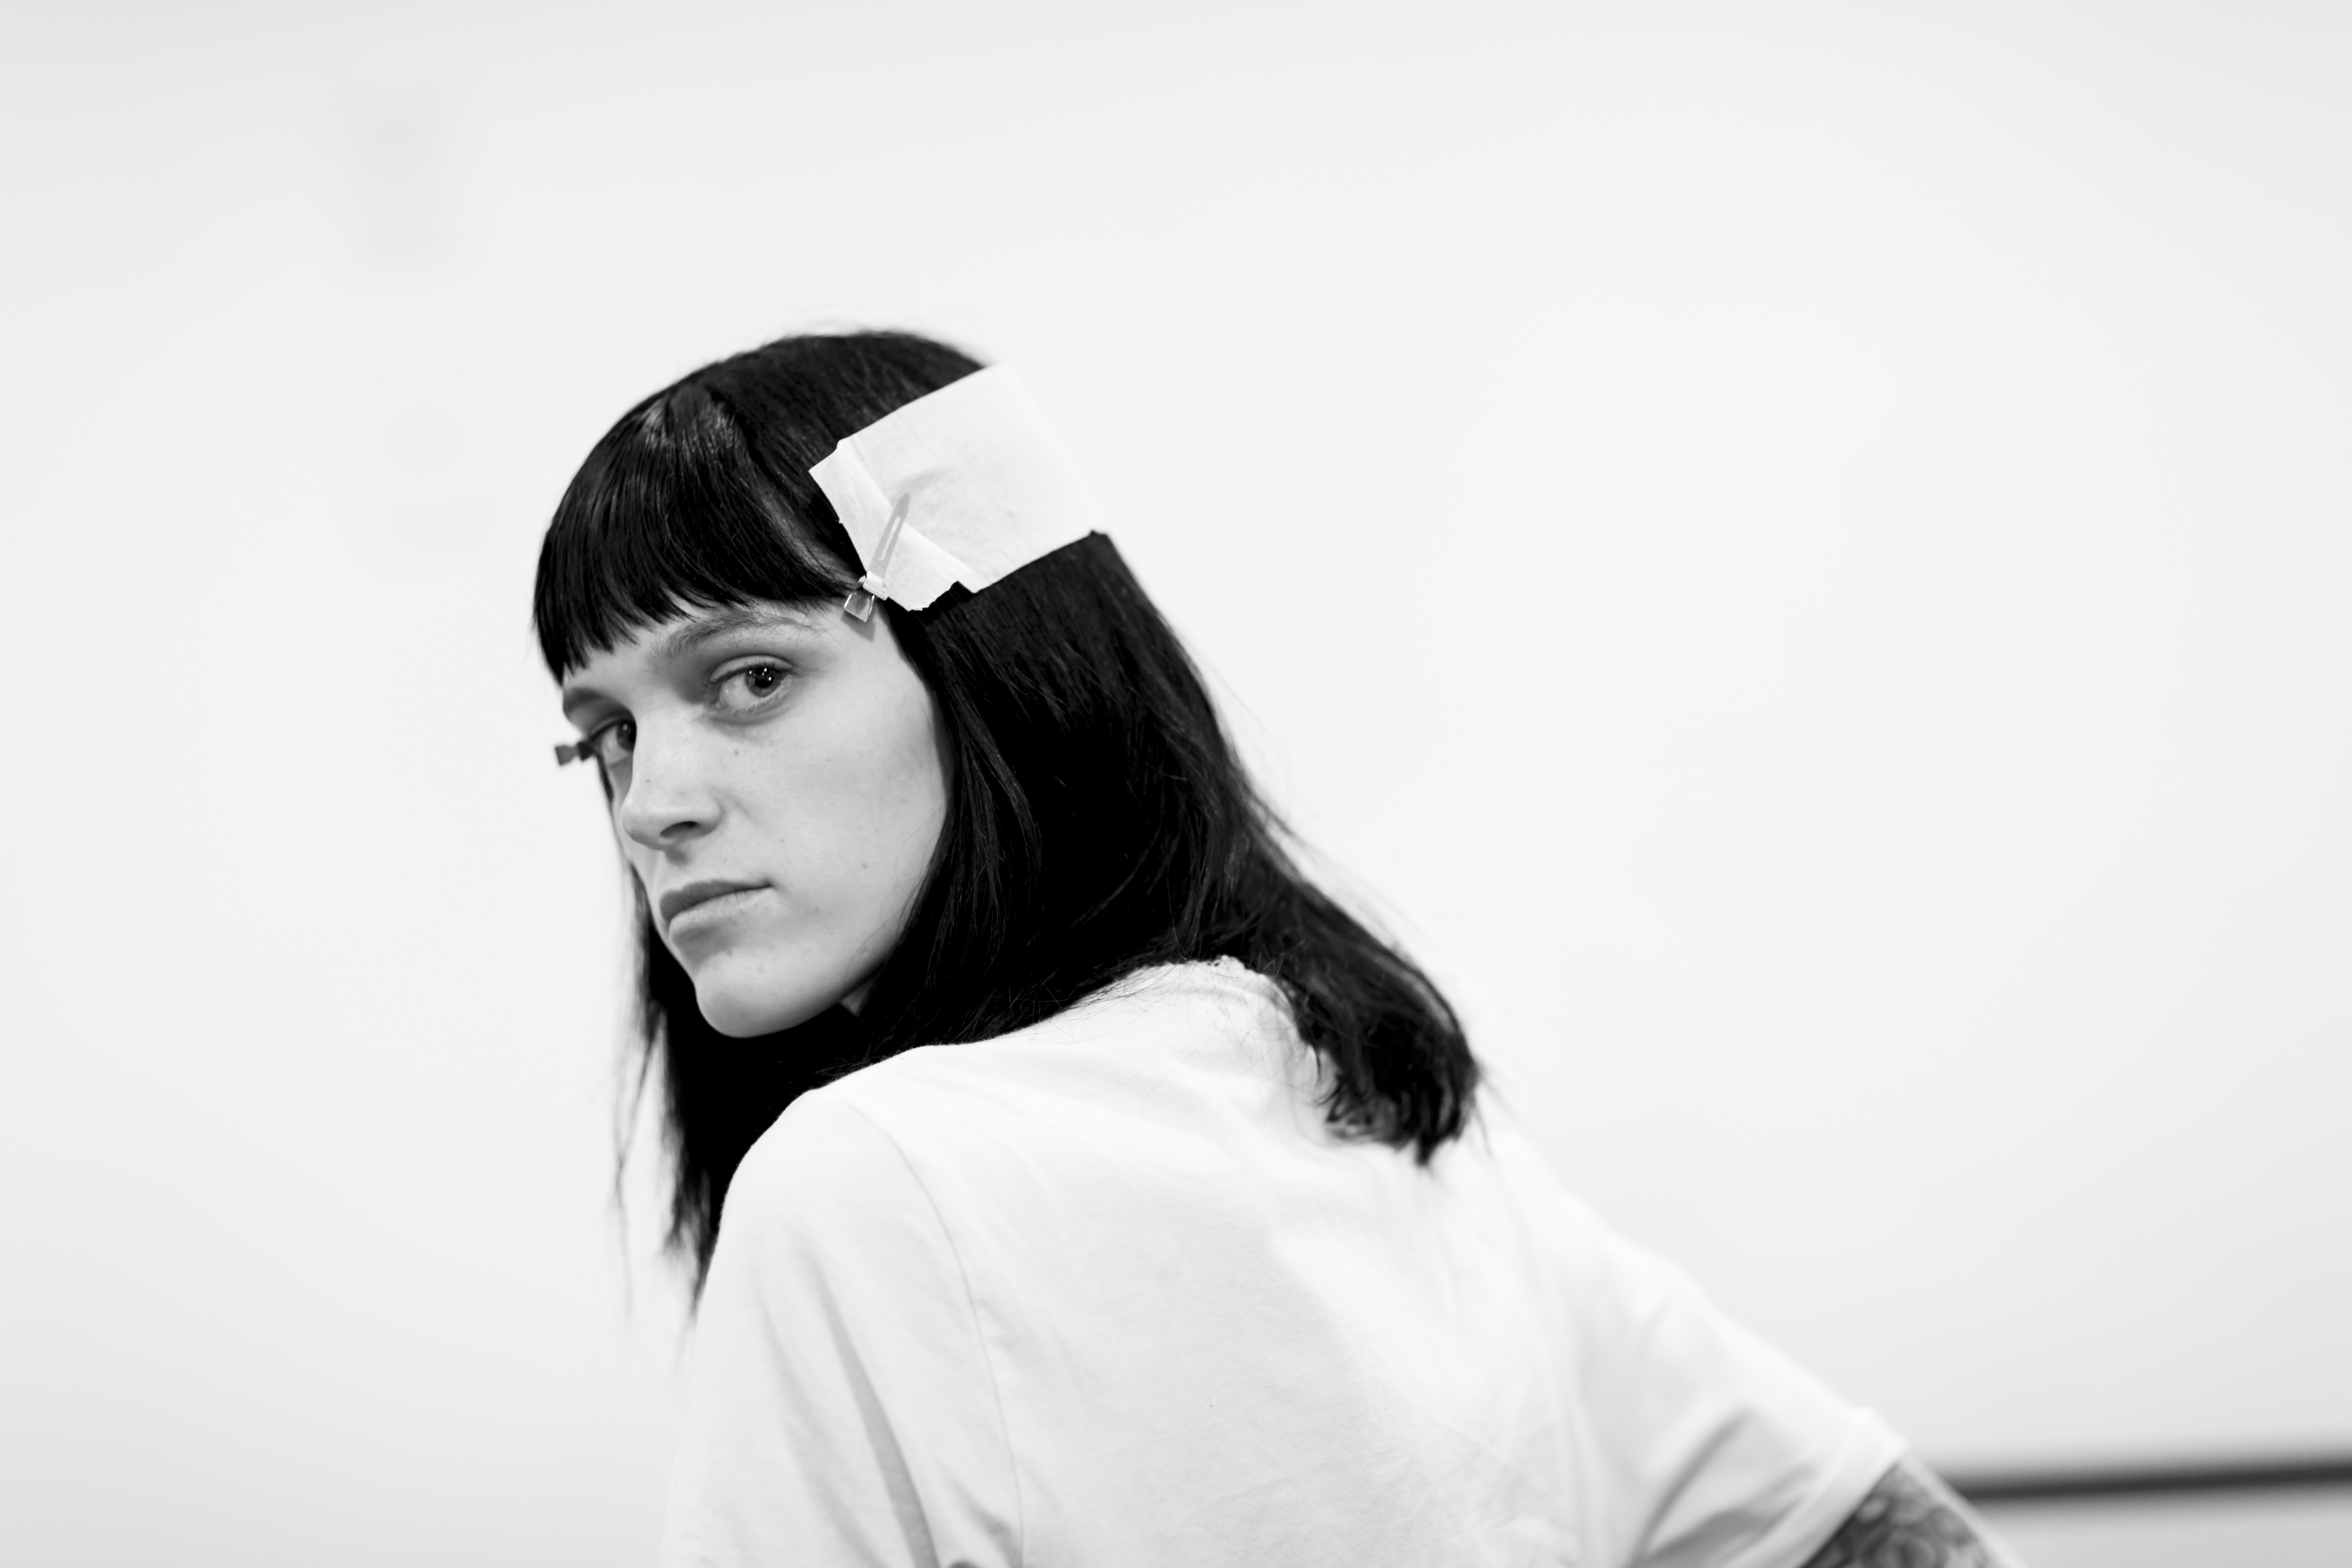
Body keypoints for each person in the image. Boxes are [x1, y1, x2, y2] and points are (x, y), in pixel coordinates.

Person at [533, 330, 2022, 1567]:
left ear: (994, 667)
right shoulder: (1360, 1081)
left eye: (750, 676)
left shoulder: (868, 1180)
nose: (653, 804)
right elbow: (1886, 1530)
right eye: (606, 736)